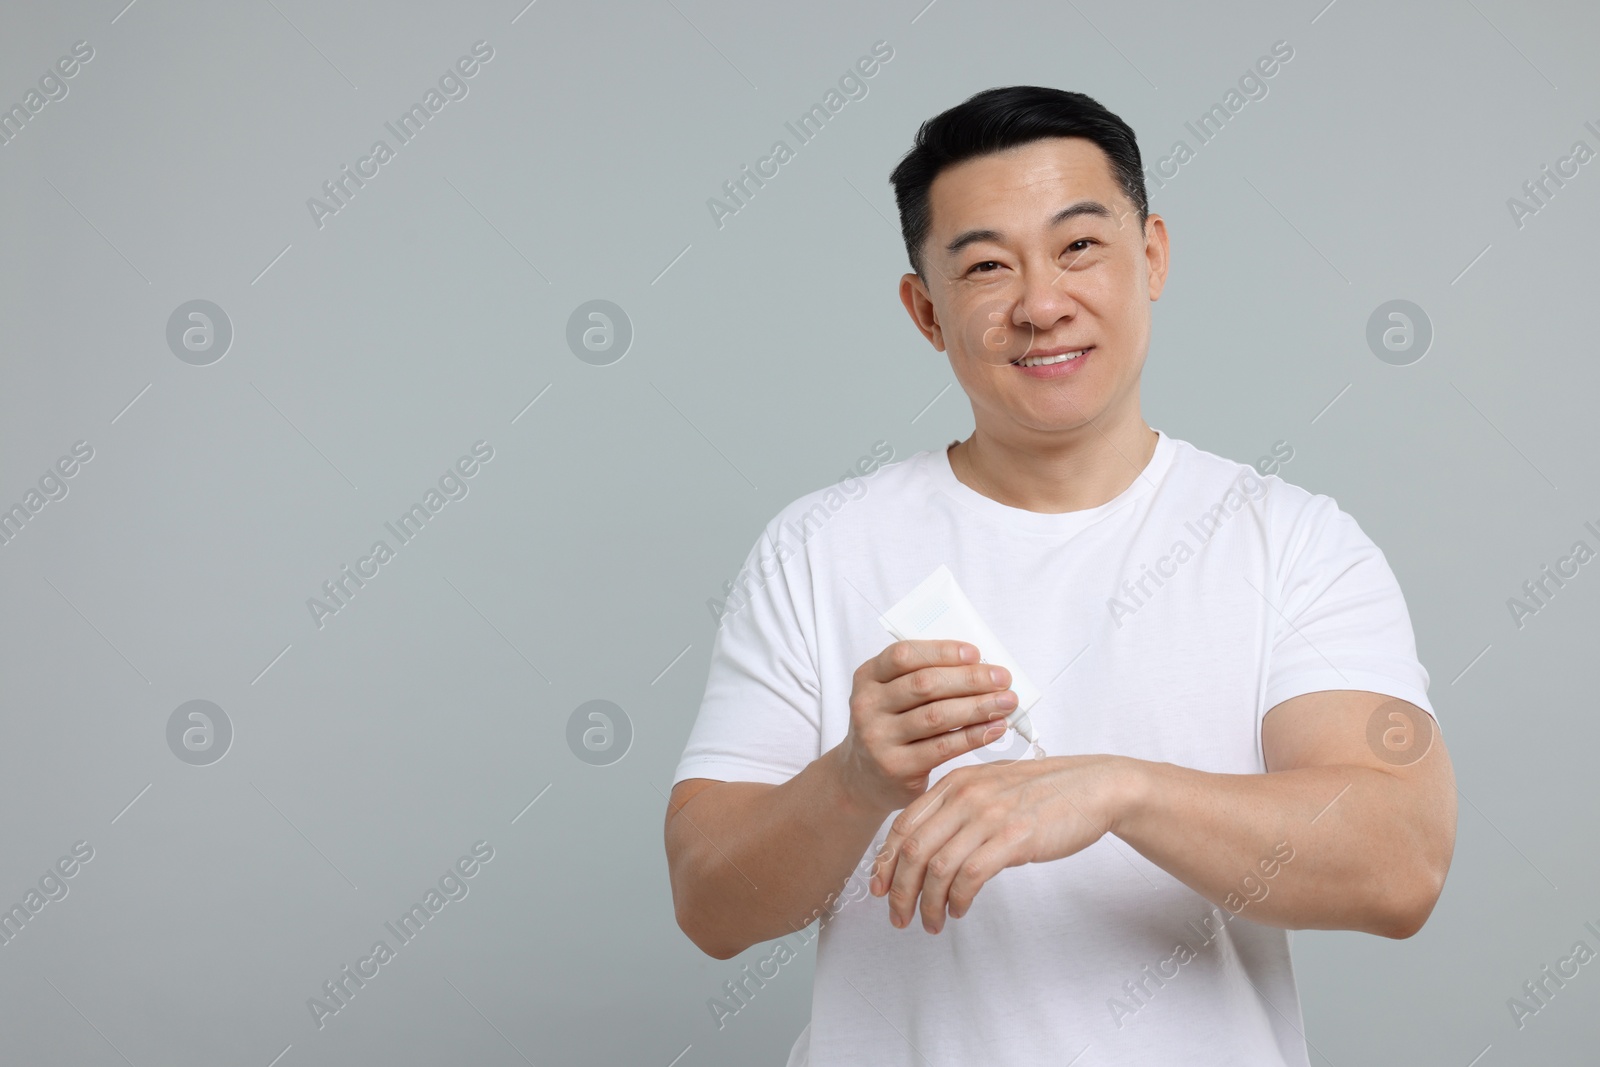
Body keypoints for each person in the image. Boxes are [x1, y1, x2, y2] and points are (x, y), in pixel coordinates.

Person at [663, 85, 1456, 1066]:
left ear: (1151, 255)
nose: (1040, 304)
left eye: (1078, 246)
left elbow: (1399, 860)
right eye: (987, 266)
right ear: (925, 310)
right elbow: (708, 901)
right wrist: (856, 778)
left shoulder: (1290, 541)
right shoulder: (819, 547)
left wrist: (1120, 792)